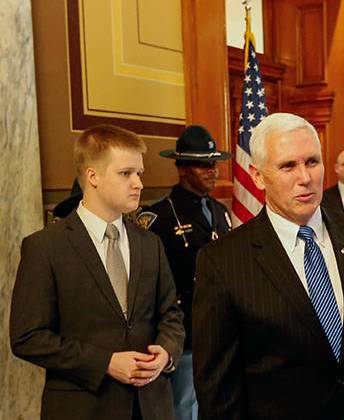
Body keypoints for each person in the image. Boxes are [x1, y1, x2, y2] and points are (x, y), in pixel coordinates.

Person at [9, 125, 185, 420]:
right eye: (126, 173)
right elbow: (28, 337)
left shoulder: (149, 243)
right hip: (83, 407)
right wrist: (104, 363)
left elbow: (171, 313)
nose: (139, 183)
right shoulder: (45, 247)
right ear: (93, 176)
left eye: (139, 173)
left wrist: (166, 354)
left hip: (152, 406)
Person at [192, 113, 344, 419]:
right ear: (257, 176)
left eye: (312, 161)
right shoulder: (222, 262)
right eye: (288, 166)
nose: (305, 177)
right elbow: (218, 391)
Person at [136, 125, 232, 420]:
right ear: (182, 168)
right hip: (186, 333)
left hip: (220, 330)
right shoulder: (159, 217)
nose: (212, 171)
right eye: (203, 165)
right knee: (184, 409)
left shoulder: (219, 211)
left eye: (214, 164)